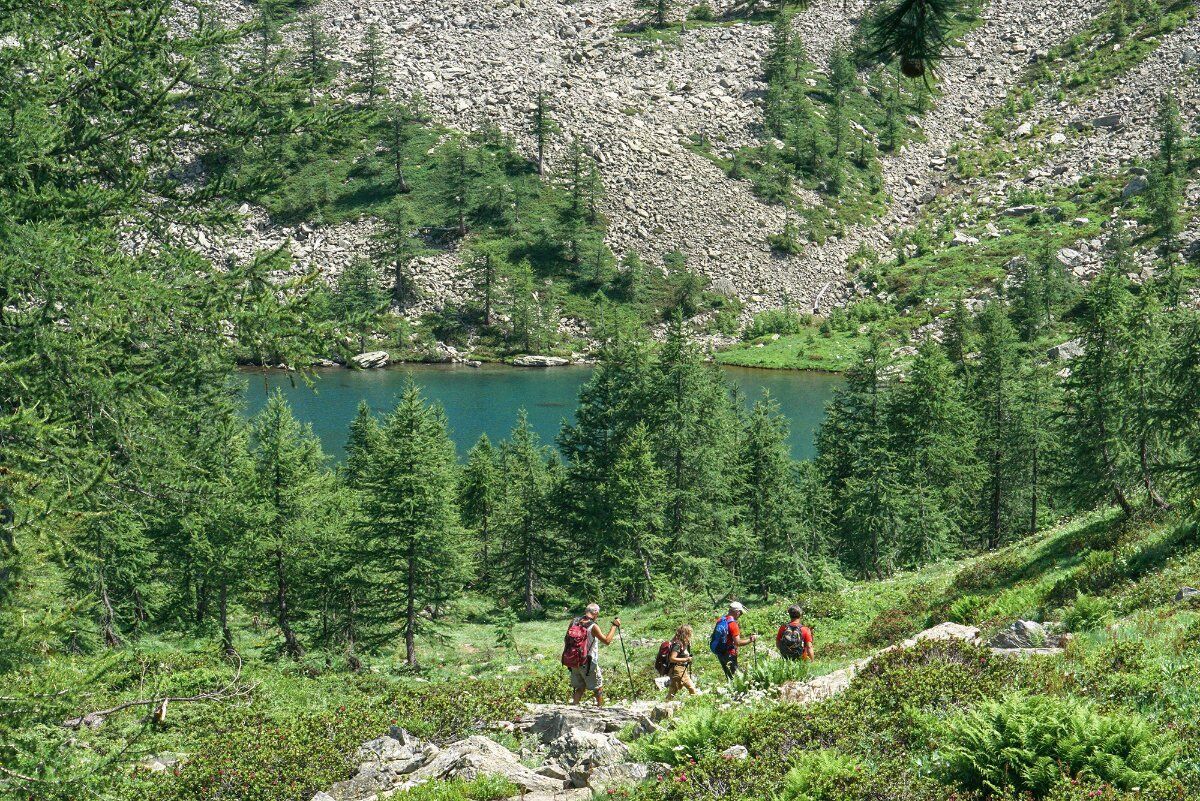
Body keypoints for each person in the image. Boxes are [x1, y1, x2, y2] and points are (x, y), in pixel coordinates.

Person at [562, 603, 621, 707]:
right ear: (596, 613)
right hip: (588, 662)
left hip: (574, 660)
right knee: (598, 687)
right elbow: (607, 641)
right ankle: (600, 708)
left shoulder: (574, 622)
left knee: (580, 686)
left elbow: (566, 640)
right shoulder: (593, 626)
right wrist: (614, 626)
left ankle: (574, 706)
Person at [711, 601, 757, 679]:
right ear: (737, 612)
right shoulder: (733, 624)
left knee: (728, 675)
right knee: (735, 677)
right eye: (740, 613)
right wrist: (750, 639)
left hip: (720, 652)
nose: (740, 615)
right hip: (729, 654)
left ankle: (730, 689)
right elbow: (738, 642)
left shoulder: (721, 620)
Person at [665, 625, 699, 699]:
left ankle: (665, 705)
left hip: (681, 669)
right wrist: (686, 659)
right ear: (685, 633)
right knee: (691, 688)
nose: (690, 635)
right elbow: (672, 658)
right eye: (689, 633)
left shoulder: (682, 643)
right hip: (677, 670)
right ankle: (696, 703)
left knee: (673, 691)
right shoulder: (677, 644)